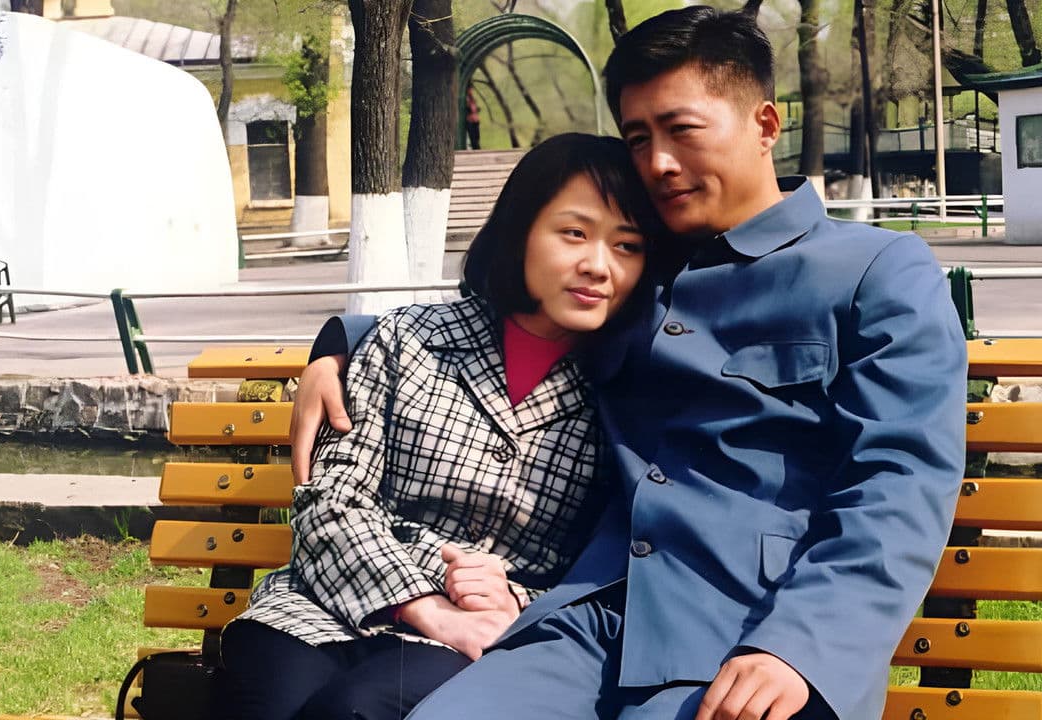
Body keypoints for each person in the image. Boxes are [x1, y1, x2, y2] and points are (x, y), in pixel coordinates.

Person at [291, 6, 968, 720]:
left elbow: (899, 483)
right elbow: (504, 316)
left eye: (682, 130)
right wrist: (341, 344)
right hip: (589, 623)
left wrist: (800, 646)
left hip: (753, 638)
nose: (658, 163)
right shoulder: (639, 268)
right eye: (639, 138)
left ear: (765, 125)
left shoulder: (875, 272)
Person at [215, 133, 665, 720]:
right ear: (521, 230)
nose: (598, 267)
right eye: (574, 233)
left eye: (627, 246)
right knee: (271, 703)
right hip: (321, 602)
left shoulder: (624, 392)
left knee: (355, 709)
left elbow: (606, 563)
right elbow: (332, 498)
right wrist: (423, 603)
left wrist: (515, 598)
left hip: (483, 631)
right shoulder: (410, 339)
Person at [465, 85, 481, 150]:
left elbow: (474, 108)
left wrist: (477, 109)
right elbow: (470, 109)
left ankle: (477, 148)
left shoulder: (473, 98)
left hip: (475, 120)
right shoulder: (466, 98)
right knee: (473, 137)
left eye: (472, 89)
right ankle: (476, 149)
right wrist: (473, 109)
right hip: (470, 120)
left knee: (477, 136)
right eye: (470, 89)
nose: (471, 91)